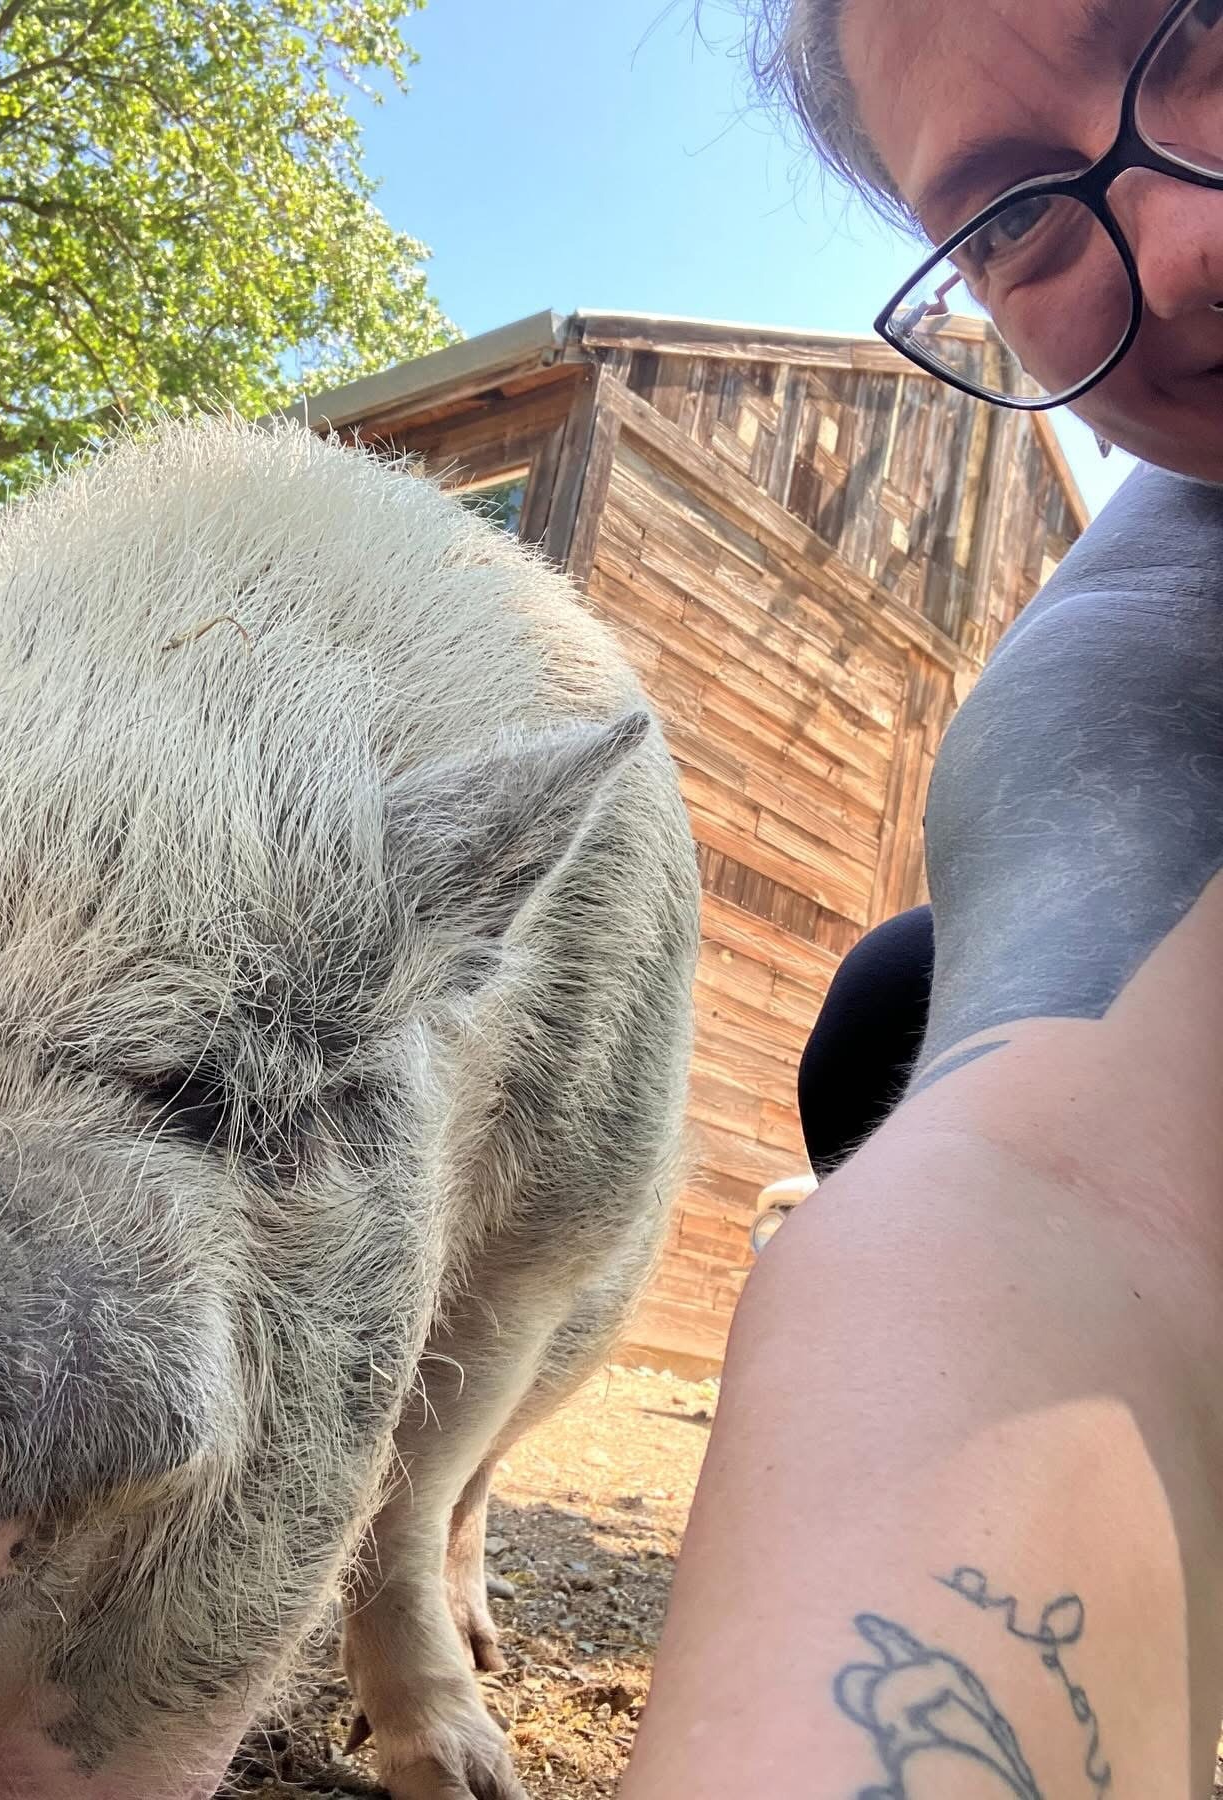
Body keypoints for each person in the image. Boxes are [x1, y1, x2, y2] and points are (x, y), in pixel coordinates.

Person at [619, 1, 1223, 1793]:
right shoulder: (1157, 613)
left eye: (1202, 24)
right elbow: (1060, 1190)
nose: (1185, 244)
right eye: (1017, 213)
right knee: (899, 1012)